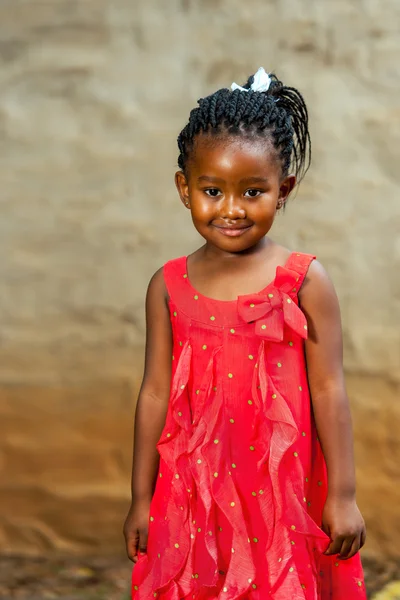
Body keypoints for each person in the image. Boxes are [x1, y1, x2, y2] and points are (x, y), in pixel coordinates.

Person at [123, 67, 367, 599]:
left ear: (283, 190)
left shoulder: (304, 280)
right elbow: (155, 393)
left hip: (280, 493)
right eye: (213, 190)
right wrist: (142, 497)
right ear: (184, 189)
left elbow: (329, 389)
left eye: (252, 191)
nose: (231, 209)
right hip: (193, 491)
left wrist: (343, 494)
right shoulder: (168, 286)